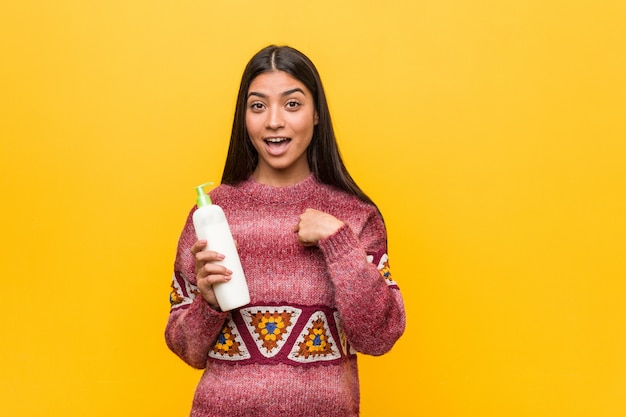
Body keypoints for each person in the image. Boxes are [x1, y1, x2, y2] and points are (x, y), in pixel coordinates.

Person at [165, 45, 406, 417]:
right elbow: (185, 349)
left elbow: (379, 336)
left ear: (316, 115)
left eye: (292, 104)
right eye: (258, 106)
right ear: (243, 117)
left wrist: (339, 244)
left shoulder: (353, 216)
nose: (274, 121)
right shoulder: (211, 214)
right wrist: (208, 305)